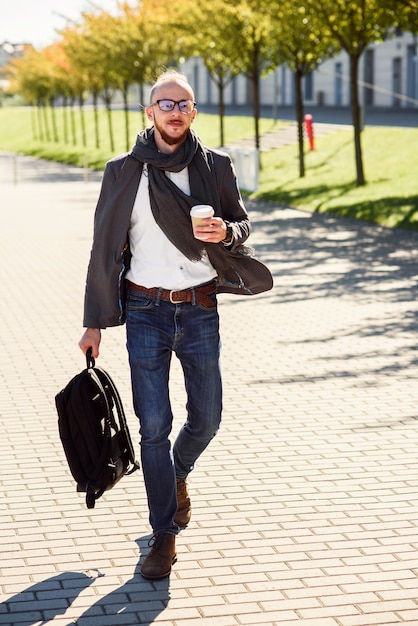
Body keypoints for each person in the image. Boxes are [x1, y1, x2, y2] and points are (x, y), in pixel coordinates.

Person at [78, 70, 271, 580]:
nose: (176, 112)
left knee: (207, 417)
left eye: (184, 104)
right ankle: (163, 535)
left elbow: (241, 221)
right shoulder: (123, 171)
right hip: (145, 311)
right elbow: (103, 248)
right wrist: (94, 322)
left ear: (193, 112)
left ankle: (176, 474)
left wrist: (227, 231)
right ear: (149, 112)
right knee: (154, 428)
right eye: (166, 104)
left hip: (201, 305)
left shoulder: (216, 166)